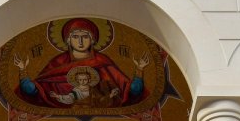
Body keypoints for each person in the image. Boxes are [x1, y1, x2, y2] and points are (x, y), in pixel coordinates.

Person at [12, 17, 149, 110]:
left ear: (92, 40)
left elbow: (130, 89)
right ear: (68, 40)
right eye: (75, 37)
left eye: (85, 37)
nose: (81, 41)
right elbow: (35, 89)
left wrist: (139, 69)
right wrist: (23, 71)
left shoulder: (103, 61)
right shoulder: (58, 62)